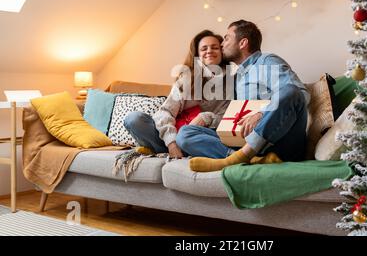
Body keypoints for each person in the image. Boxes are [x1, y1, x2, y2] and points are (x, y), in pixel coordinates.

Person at [176, 20, 311, 172]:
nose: (222, 44)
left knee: (291, 90)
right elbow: (233, 116)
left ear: (243, 43)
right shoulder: (237, 77)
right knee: (185, 134)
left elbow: (301, 94)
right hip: (249, 144)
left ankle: (237, 159)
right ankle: (245, 158)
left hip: (280, 143)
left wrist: (261, 114)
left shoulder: (267, 62)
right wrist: (209, 118)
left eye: (227, 38)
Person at [123, 30, 231, 159]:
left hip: (203, 137)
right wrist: (172, 142)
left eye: (215, 47)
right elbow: (166, 112)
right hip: (173, 136)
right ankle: (174, 150)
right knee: (133, 119)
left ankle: (192, 148)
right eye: (204, 48)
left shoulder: (231, 80)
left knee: (186, 135)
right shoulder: (186, 79)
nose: (209, 51)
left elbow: (229, 119)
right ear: (197, 55)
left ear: (222, 52)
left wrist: (206, 117)